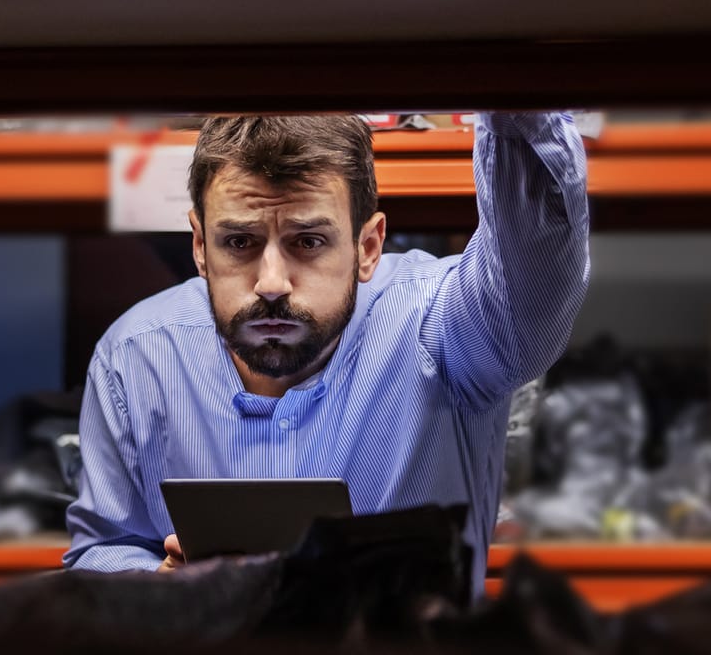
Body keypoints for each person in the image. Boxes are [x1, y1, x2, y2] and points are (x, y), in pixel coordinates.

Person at [63, 113, 591, 586]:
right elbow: (102, 550)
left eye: (308, 241)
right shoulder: (134, 357)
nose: (271, 283)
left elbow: (534, 267)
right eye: (240, 243)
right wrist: (158, 587)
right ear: (200, 246)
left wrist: (515, 95)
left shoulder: (442, 326)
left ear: (368, 247)